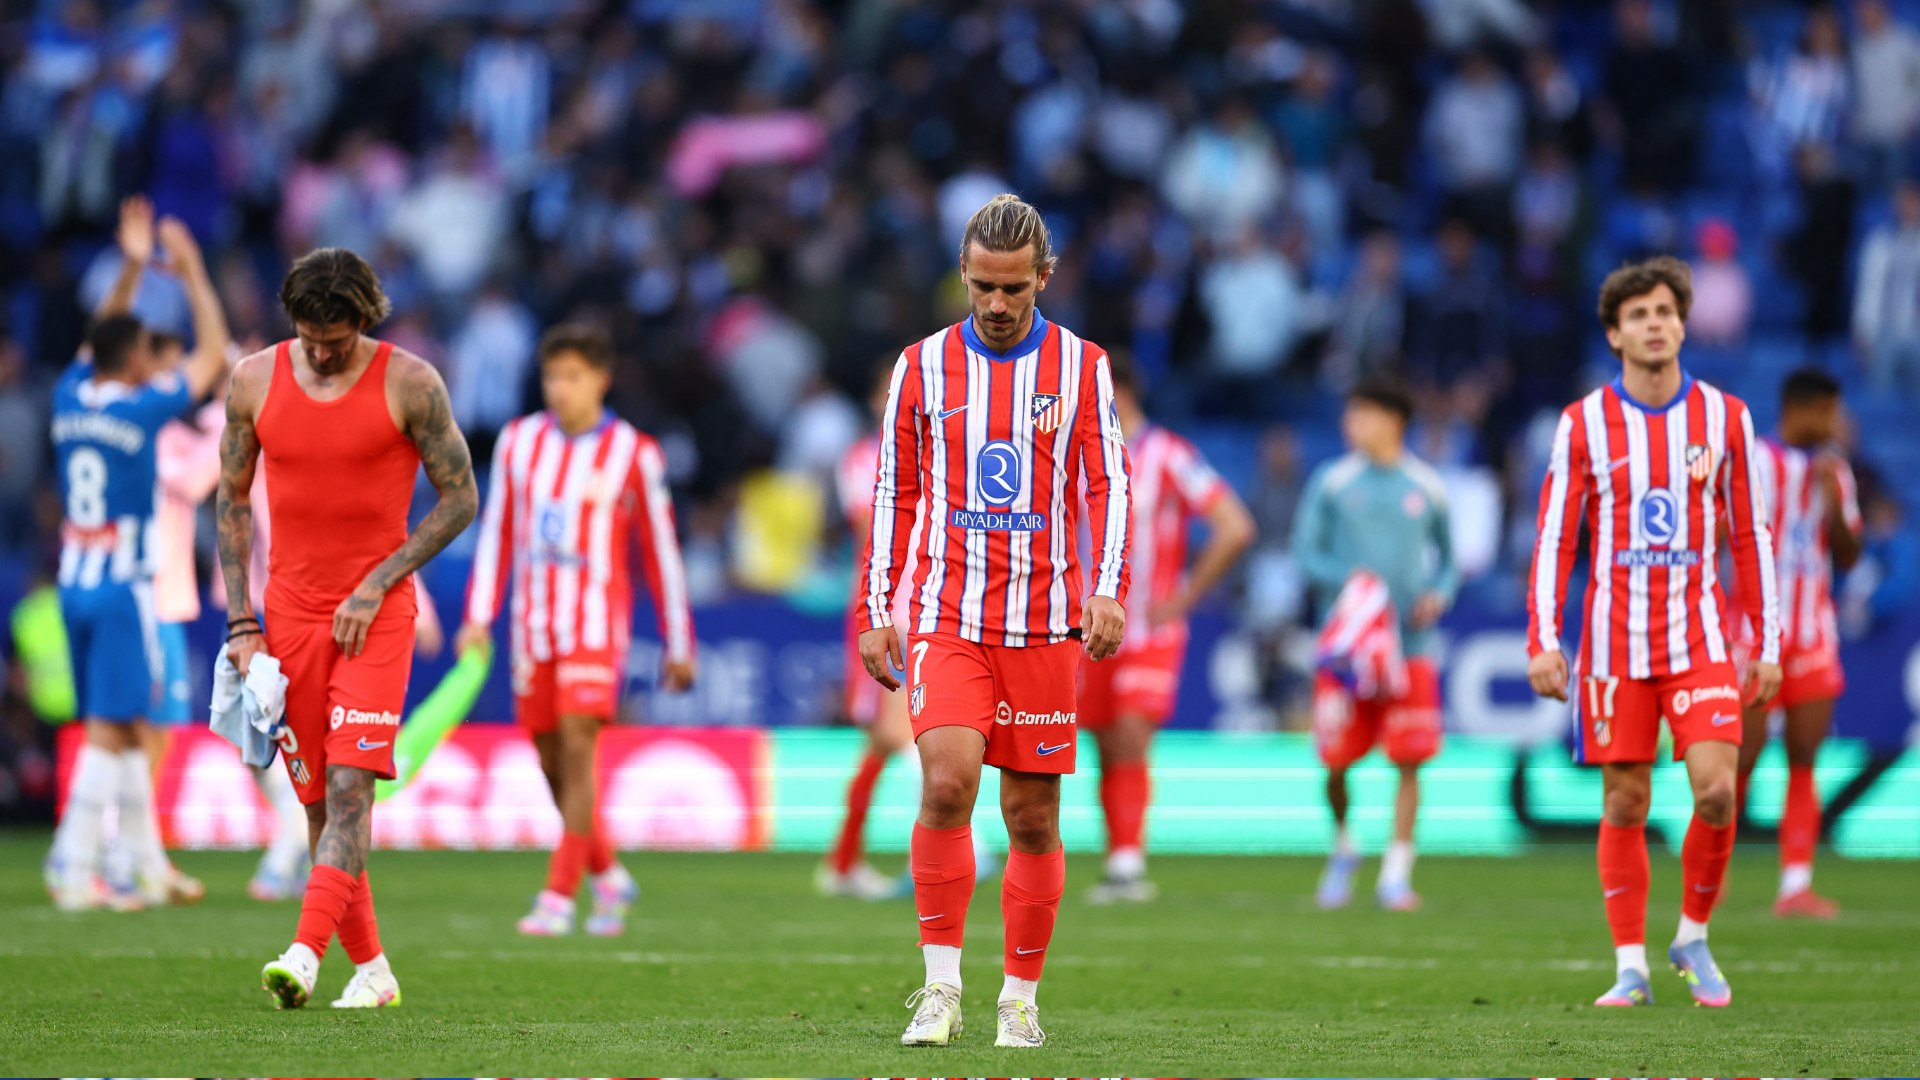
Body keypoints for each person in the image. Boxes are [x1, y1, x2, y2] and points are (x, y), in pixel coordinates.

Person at [860, 194, 1130, 1049]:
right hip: (949, 618)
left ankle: (1020, 998)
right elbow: (893, 490)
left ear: (1044, 278)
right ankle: (941, 988)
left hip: (1047, 625)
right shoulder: (921, 368)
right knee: (945, 784)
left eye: (1014, 288)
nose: (997, 304)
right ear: (964, 278)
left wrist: (1109, 586)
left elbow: (1107, 483)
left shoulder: (1084, 368)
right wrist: (878, 607)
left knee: (1032, 820)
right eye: (982, 286)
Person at [218, 248, 478, 1009]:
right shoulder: (254, 380)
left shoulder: (411, 382)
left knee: (350, 788)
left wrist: (381, 578)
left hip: (376, 616)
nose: (323, 351)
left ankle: (303, 955)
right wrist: (242, 622)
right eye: (309, 335)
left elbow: (461, 497)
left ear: (365, 318)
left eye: (337, 337)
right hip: (288, 616)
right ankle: (373, 970)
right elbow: (232, 502)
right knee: (317, 807)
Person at [1527, 255, 1782, 1009]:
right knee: (1626, 804)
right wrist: (1545, 637)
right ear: (1615, 335)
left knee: (1715, 792)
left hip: (1700, 641)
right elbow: (1555, 539)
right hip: (1613, 647)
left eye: (1667, 312)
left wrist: (1765, 644)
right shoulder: (1582, 424)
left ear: (1683, 323)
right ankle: (1630, 967)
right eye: (1639, 315)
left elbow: (1750, 536)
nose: (1656, 325)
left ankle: (1694, 936)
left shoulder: (1726, 418)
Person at [455, 322, 696, 937]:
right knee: (549, 758)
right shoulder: (517, 441)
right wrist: (478, 615)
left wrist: (678, 640)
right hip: (532, 628)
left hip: (594, 628)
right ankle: (609, 874)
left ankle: (559, 895)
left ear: (600, 381)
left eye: (572, 377)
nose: (559, 389)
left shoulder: (634, 452)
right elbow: (498, 533)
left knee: (579, 746)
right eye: (551, 377)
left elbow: (660, 551)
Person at [45, 200, 229, 911]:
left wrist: (128, 265)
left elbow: (101, 339)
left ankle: (139, 865)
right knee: (113, 730)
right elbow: (211, 358)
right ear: (137, 363)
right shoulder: (139, 409)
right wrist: (193, 275)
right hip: (123, 586)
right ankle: (72, 864)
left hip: (72, 579)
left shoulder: (68, 395)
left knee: (120, 730)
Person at [1082, 350, 1254, 902]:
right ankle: (1117, 860)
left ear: (1122, 394)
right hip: (1084, 629)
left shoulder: (1168, 454)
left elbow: (1233, 526)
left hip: (1150, 628)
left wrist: (1185, 596)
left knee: (1131, 735)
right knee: (1104, 744)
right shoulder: (1073, 454)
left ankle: (1130, 863)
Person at [1293, 378, 1456, 912]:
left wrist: (1438, 594)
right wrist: (1352, 585)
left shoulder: (1426, 486)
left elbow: (1450, 562)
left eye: (1362, 414)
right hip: (1347, 649)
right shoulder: (1334, 482)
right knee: (1335, 763)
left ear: (1393, 420)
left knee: (1410, 759)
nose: (1352, 425)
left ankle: (1396, 871)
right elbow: (1306, 552)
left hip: (1411, 647)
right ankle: (1344, 846)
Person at [1732, 369, 1861, 919]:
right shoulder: (1755, 462)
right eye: (1828, 412)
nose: (1834, 423)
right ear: (1801, 410)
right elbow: (1721, 536)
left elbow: (1850, 555)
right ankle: (1710, 876)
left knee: (1804, 758)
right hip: (1755, 633)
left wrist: (1832, 501)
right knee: (1740, 760)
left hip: (1813, 631)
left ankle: (1796, 885)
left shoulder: (1836, 472)